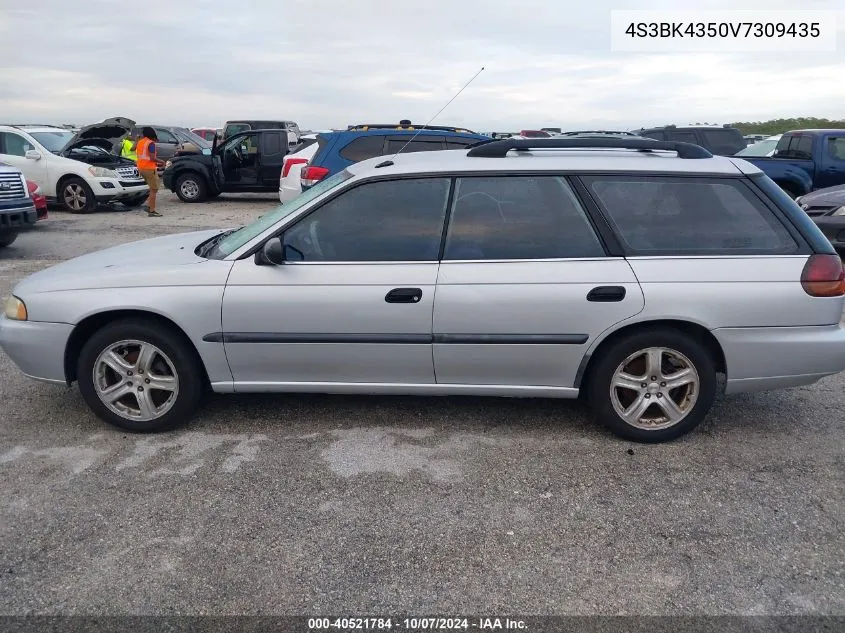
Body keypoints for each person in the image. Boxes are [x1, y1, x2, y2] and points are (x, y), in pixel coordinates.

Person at [135, 127, 165, 217]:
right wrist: (162, 161)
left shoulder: (140, 142)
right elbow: (152, 158)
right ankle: (151, 210)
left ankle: (149, 206)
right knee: (154, 189)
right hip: (149, 168)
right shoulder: (150, 143)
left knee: (151, 188)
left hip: (141, 167)